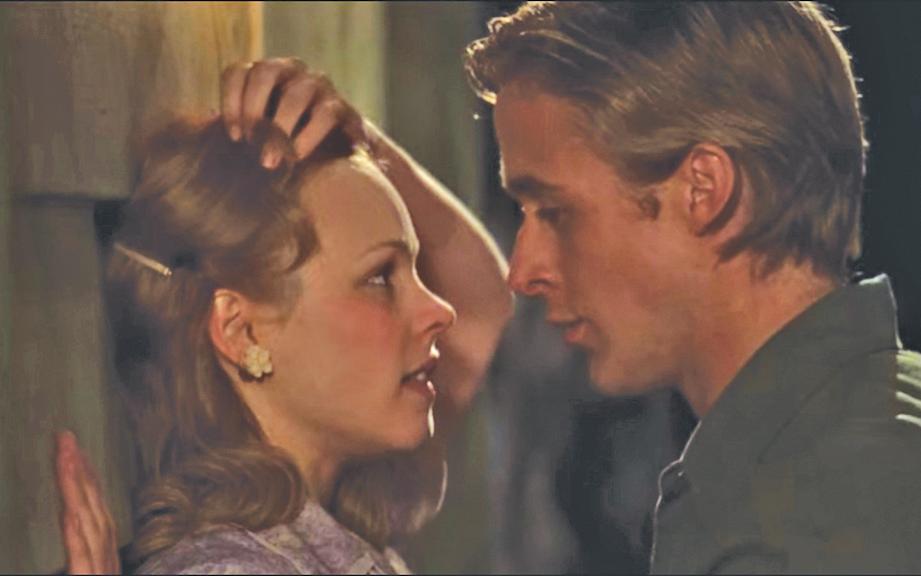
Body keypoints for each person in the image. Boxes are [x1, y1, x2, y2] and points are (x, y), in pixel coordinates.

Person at [59, 1, 921, 573]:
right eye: (380, 276)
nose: (524, 267)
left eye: (554, 211)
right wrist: (349, 144)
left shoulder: (812, 518)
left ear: (703, 191)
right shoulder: (841, 441)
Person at [54, 108, 511, 573]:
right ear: (241, 331)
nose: (441, 310)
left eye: (414, 269)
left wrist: (358, 134)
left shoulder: (330, 527)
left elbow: (483, 312)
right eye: (379, 278)